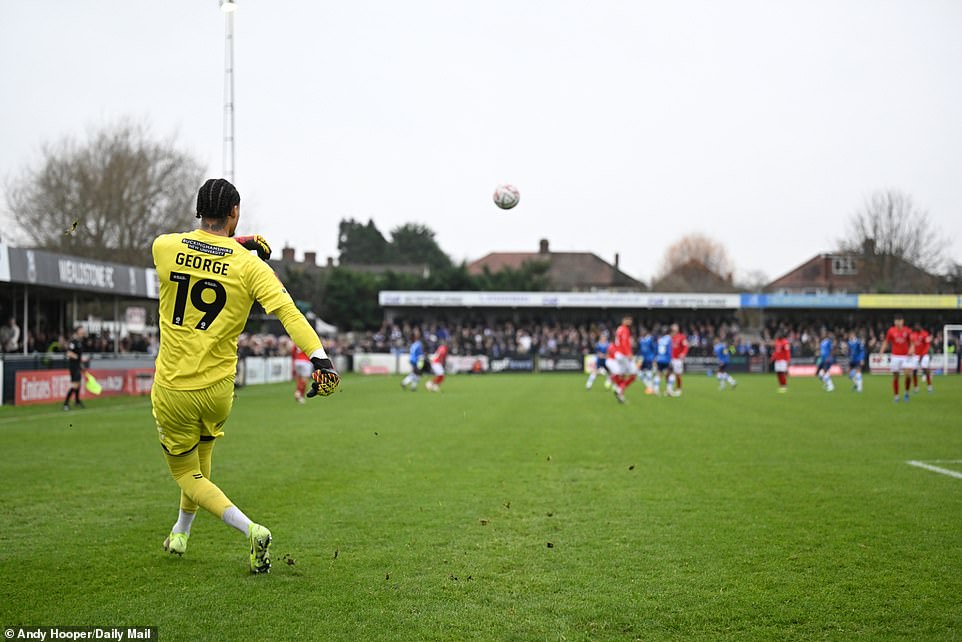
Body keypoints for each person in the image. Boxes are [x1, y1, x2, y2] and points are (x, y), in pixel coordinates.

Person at [151, 178, 339, 574]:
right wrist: (321, 361)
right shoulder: (251, 266)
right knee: (202, 457)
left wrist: (240, 241)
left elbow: (199, 250)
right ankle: (181, 532)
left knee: (185, 472)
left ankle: (251, 529)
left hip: (174, 387)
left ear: (198, 210)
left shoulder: (164, 247)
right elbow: (289, 313)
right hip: (219, 390)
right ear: (234, 212)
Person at [877, 313, 914, 402]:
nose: (898, 323)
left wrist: (911, 349)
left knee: (908, 375)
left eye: (900, 321)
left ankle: (906, 392)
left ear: (903, 321)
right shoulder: (891, 331)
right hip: (895, 356)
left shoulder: (908, 331)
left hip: (906, 356)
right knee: (896, 376)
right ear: (894, 322)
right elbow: (886, 342)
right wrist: (881, 352)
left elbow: (912, 343)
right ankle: (896, 396)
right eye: (896, 321)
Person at [609, 315, 638, 403]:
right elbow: (624, 343)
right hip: (623, 354)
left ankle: (619, 392)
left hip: (618, 354)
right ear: (624, 320)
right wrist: (629, 353)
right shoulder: (625, 329)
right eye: (629, 320)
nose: (630, 322)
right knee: (634, 374)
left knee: (621, 374)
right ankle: (619, 389)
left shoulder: (619, 329)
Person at [63, 326, 88, 410]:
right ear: (77, 331)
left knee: (78, 384)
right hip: (73, 366)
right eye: (81, 330)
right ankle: (66, 404)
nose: (83, 331)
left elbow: (79, 355)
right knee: (75, 385)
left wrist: (81, 365)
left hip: (78, 365)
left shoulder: (79, 342)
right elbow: (69, 353)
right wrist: (79, 358)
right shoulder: (73, 342)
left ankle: (77, 401)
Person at [910, 322, 933, 394]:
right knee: (914, 371)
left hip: (924, 355)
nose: (916, 328)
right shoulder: (913, 334)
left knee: (926, 370)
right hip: (915, 355)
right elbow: (912, 345)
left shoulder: (925, 334)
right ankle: (916, 387)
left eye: (918, 326)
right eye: (915, 327)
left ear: (920, 327)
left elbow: (927, 346)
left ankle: (929, 386)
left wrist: (922, 355)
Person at [653, 327, 674, 397]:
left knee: (659, 374)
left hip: (659, 359)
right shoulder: (669, 339)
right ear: (670, 332)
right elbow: (669, 350)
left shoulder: (660, 339)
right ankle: (669, 390)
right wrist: (670, 359)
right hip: (666, 359)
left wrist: (655, 358)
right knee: (671, 374)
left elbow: (656, 349)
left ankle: (656, 390)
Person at [669, 323, 689, 396]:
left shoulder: (681, 337)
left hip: (678, 359)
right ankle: (669, 389)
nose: (674, 329)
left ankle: (678, 389)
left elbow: (686, 346)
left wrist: (683, 353)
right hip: (670, 358)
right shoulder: (670, 337)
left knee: (678, 375)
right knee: (669, 374)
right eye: (673, 327)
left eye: (675, 327)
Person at [636, 328, 657, 394]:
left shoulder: (650, 339)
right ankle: (649, 386)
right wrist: (638, 357)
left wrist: (654, 357)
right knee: (639, 373)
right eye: (641, 332)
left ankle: (650, 388)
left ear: (646, 332)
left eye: (643, 331)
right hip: (642, 359)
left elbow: (654, 348)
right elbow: (640, 350)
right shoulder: (641, 340)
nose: (642, 333)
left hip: (649, 358)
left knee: (648, 372)